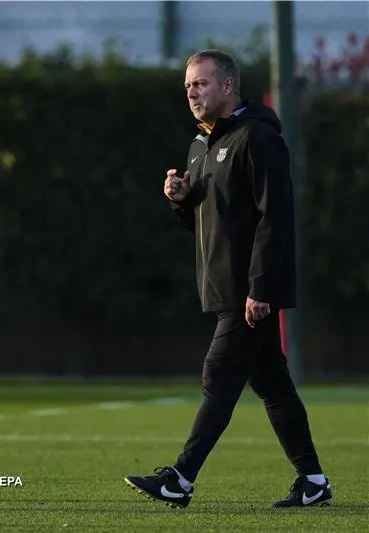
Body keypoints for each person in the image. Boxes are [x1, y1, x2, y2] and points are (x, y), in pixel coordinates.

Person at [123, 49, 331, 509]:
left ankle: (180, 478)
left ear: (228, 86)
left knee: (218, 373)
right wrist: (180, 197)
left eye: (200, 83)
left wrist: (261, 287)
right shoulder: (200, 144)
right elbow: (204, 220)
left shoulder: (257, 138)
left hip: (247, 292)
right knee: (274, 387)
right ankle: (313, 482)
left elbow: (274, 218)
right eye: (188, 87)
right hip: (222, 290)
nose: (192, 92)